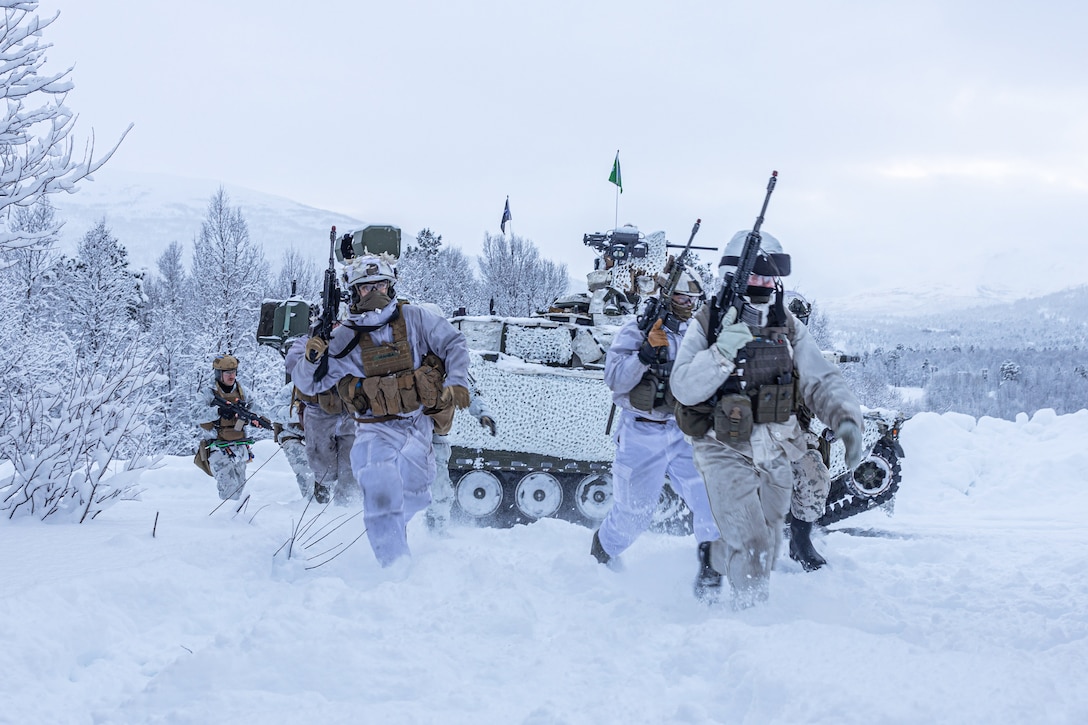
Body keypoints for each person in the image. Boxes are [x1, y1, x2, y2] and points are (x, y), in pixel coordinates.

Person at [670, 231, 864, 608]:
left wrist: (845, 419)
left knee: (768, 543)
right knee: (756, 547)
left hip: (778, 444)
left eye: (767, 278)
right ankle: (751, 630)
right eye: (753, 277)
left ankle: (713, 557)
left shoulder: (785, 323)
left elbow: (819, 377)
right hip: (721, 444)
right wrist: (721, 352)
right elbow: (684, 388)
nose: (761, 285)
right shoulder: (708, 322)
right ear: (733, 277)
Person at [292, 255, 471, 568]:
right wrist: (311, 357)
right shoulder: (343, 338)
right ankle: (395, 571)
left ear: (391, 285)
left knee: (416, 495)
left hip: (417, 425)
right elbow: (308, 383)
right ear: (354, 293)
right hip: (374, 428)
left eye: (380, 284)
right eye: (366, 287)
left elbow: (453, 343)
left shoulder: (415, 319)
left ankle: (393, 531)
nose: (374, 291)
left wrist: (456, 381)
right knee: (380, 496)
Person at [589, 268, 725, 601]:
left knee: (712, 498)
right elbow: (615, 380)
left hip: (683, 432)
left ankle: (710, 572)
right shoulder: (637, 330)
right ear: (667, 295)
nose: (688, 304)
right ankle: (599, 559)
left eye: (693, 298)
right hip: (641, 433)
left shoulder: (698, 334)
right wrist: (644, 355)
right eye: (681, 296)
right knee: (634, 514)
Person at [413, 303, 498, 535]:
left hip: (435, 435)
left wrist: (483, 413)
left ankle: (437, 532)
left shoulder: (448, 358)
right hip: (405, 433)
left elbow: (466, 388)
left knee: (439, 489)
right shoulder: (405, 356)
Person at [286, 337, 357, 506]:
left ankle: (347, 512)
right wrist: (311, 357)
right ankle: (320, 504)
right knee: (322, 468)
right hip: (319, 411)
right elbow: (292, 364)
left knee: (352, 469)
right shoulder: (307, 341)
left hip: (351, 411)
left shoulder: (353, 336)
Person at [196, 354, 266, 501]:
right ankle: (226, 520)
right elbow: (195, 414)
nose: (232, 376)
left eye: (234, 372)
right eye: (228, 373)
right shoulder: (208, 393)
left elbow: (258, 409)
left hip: (240, 448)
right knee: (229, 491)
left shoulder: (242, 391)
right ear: (219, 373)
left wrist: (255, 419)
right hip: (218, 448)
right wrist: (218, 411)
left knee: (239, 490)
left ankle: (234, 520)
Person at [271, 379, 315, 500]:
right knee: (306, 468)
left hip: (320, 437)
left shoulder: (329, 385)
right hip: (293, 435)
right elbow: (274, 412)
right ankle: (312, 504)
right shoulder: (292, 388)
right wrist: (301, 412)